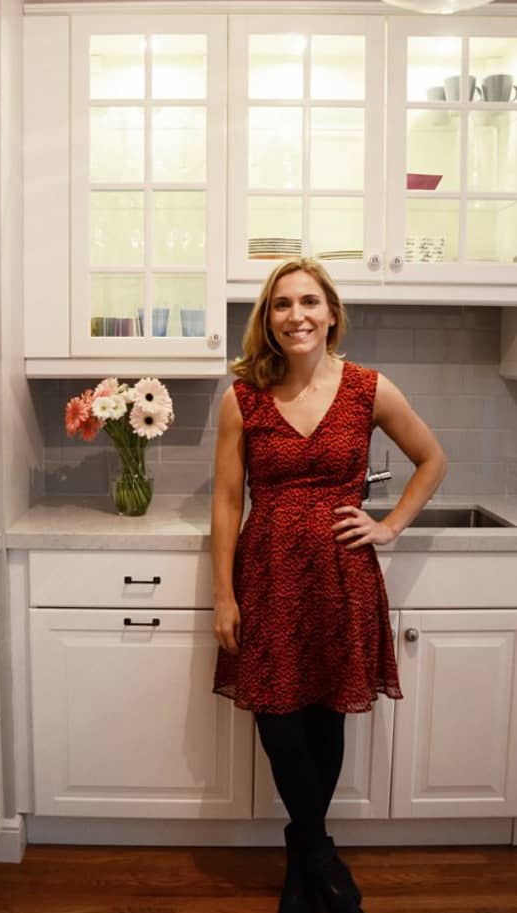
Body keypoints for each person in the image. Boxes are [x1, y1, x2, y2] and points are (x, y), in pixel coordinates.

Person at [211, 258, 447, 913]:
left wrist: (391, 525)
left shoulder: (369, 389)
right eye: (282, 304)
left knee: (324, 714)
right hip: (267, 575)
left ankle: (302, 855)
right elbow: (228, 502)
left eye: (309, 301)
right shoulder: (244, 398)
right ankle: (315, 849)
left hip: (343, 577)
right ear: (268, 319)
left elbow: (433, 458)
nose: (296, 315)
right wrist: (223, 594)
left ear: (332, 312)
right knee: (279, 721)